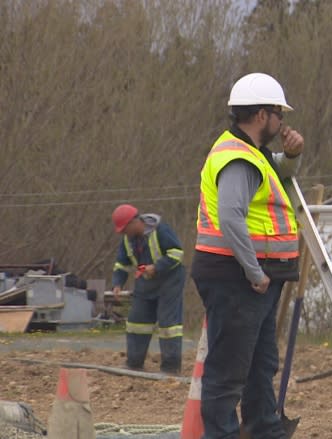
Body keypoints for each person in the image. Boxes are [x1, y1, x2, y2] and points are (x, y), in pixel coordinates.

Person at [191, 72, 304, 439]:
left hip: (252, 278)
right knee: (229, 370)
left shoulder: (251, 153)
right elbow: (230, 218)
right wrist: (254, 273)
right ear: (261, 116)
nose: (281, 121)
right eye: (278, 113)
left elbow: (279, 171)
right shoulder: (239, 159)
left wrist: (292, 155)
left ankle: (264, 430)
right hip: (238, 278)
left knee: (259, 364)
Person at [111, 204, 185, 375]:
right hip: (145, 283)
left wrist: (157, 267)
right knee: (137, 322)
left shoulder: (161, 231)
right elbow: (121, 264)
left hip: (170, 281)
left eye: (125, 229)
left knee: (168, 325)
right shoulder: (127, 241)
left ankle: (170, 367)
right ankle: (134, 363)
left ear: (135, 222)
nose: (124, 234)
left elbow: (177, 253)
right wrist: (117, 283)